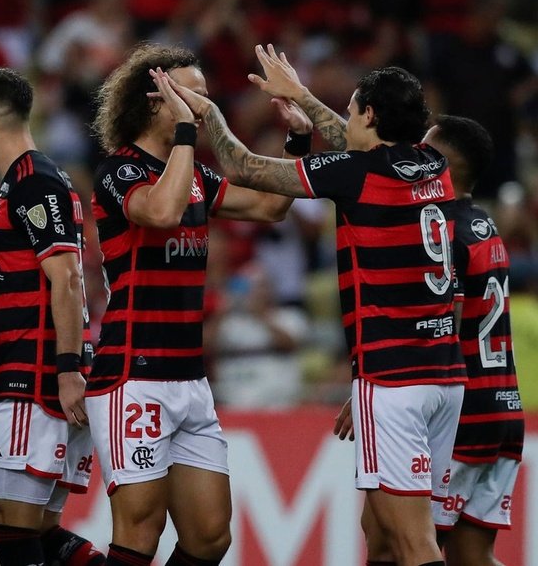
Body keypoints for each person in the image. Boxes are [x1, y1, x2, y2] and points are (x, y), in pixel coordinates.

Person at [177, 44, 465, 566]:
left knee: (413, 543)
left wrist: (209, 114)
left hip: (394, 379)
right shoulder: (433, 165)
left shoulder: (355, 175)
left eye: (353, 109)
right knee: (380, 534)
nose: (347, 119)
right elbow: (359, 147)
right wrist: (305, 99)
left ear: (371, 115)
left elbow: (244, 168)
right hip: (444, 376)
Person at [85, 44, 309, 566]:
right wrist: (187, 133)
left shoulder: (197, 177)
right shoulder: (119, 172)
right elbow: (161, 212)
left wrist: (298, 139)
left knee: (210, 537)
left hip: (190, 377)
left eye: (206, 96)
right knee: (140, 529)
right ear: (155, 99)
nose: (204, 106)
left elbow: (272, 207)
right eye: (192, 94)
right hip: (132, 374)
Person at [0, 67, 104, 565]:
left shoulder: (33, 183)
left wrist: (67, 372)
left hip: (36, 374)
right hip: (47, 369)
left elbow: (65, 278)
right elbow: (17, 260)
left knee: (13, 530)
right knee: (40, 530)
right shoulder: (28, 182)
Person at [423, 115, 524, 566]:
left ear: (442, 164)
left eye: (424, 150)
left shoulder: (441, 230)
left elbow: (450, 321)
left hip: (464, 416)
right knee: (471, 555)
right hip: (504, 407)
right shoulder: (482, 224)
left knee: (406, 542)